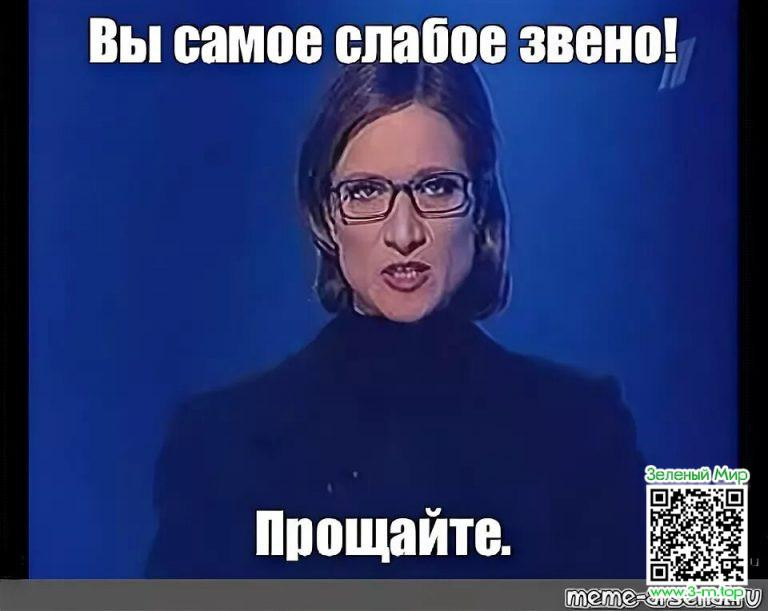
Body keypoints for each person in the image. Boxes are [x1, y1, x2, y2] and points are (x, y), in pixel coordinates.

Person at [146, 62, 646, 578]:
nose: (404, 233)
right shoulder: (218, 442)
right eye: (365, 192)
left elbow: (696, 590)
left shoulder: (589, 425)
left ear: (479, 205)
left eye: (436, 187)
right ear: (325, 215)